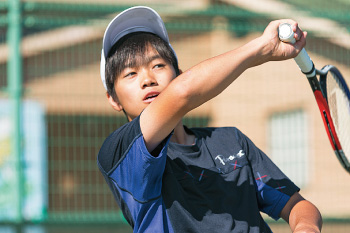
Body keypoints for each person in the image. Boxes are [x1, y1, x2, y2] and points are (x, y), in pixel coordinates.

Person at [97, 6, 322, 233]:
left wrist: (306, 226)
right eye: (130, 73)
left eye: (158, 65)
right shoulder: (120, 154)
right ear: (113, 99)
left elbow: (294, 204)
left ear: (179, 74)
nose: (147, 79)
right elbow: (182, 93)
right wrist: (261, 47)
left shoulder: (231, 140)